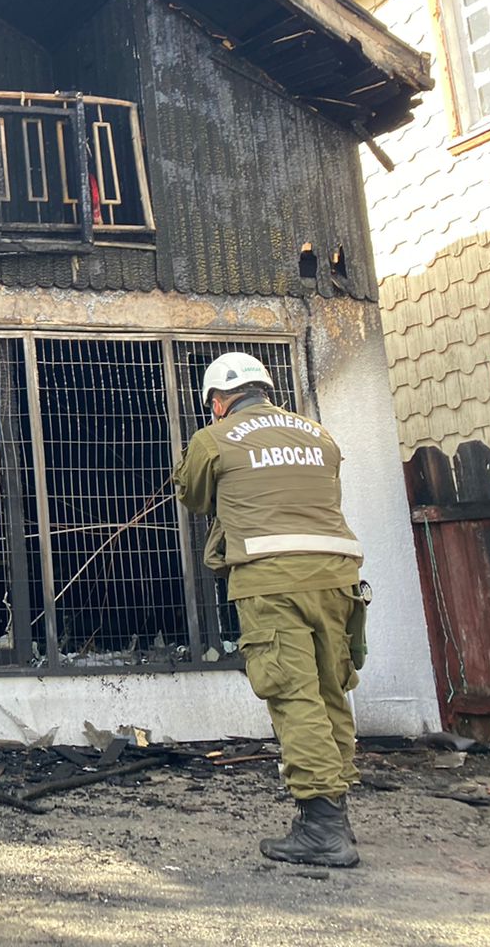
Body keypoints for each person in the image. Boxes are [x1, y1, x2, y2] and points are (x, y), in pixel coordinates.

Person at [172, 351, 369, 868]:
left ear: (217, 402)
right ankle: (336, 815)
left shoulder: (213, 439)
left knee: (294, 696)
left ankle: (322, 828)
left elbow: (193, 496)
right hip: (339, 579)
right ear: (265, 387)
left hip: (271, 583)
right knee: (331, 693)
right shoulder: (319, 435)